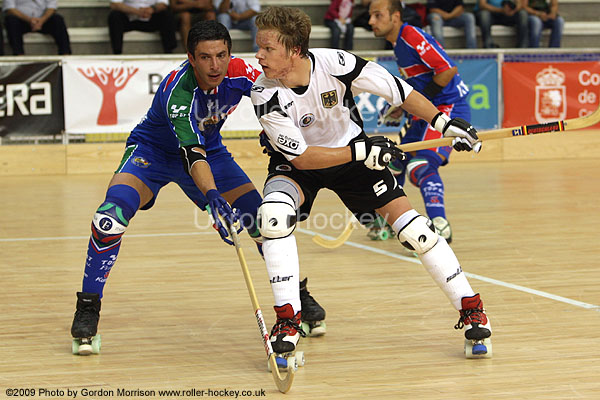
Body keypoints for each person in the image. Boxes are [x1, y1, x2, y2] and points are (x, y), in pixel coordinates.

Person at [69, 20, 326, 355]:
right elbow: (191, 154)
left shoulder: (242, 73)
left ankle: (296, 296)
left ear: (230, 53)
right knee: (109, 219)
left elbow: (280, 99)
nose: (215, 65)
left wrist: (274, 130)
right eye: (205, 57)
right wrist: (212, 197)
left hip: (211, 154)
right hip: (154, 154)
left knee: (266, 223)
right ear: (191, 58)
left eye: (221, 55)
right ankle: (88, 306)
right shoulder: (178, 91)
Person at [251, 6, 492, 358]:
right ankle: (288, 322)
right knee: (273, 217)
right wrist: (362, 150)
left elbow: (399, 91)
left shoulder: (336, 63)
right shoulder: (263, 91)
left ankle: (472, 310)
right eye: (259, 48)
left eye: (267, 48)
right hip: (301, 165)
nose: (259, 56)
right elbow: (302, 157)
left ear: (294, 50)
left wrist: (443, 123)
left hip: (353, 159)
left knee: (417, 231)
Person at [369, 0, 471, 245]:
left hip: (447, 109)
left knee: (421, 165)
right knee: (393, 163)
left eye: (377, 15)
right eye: (371, 16)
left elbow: (447, 70)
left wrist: (414, 104)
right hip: (427, 112)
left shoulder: (411, 35)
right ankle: (392, 220)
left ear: (395, 17)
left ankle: (440, 225)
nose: (371, 21)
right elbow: (420, 84)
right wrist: (402, 106)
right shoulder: (398, 43)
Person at [2, 0, 71, 55]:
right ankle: (19, 55)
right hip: (22, 20)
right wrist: (29, 20)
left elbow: (52, 7)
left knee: (58, 20)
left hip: (43, 20)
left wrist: (41, 20)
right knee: (11, 20)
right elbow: (9, 8)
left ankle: (65, 54)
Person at [108, 0, 177, 54]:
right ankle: (117, 52)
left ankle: (169, 51)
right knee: (114, 16)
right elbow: (114, 4)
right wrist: (137, 12)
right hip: (129, 18)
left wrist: (152, 9)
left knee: (167, 15)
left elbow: (163, 4)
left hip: (150, 18)